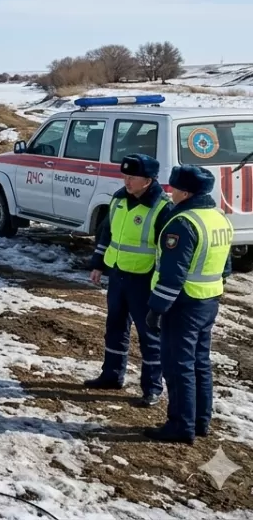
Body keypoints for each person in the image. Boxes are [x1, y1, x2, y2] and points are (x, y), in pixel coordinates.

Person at [143, 165, 233, 444]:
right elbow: (226, 266)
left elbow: (173, 274)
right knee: (199, 363)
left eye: (173, 188)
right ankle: (200, 421)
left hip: (183, 304)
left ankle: (181, 425)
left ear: (184, 191)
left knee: (178, 365)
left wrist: (157, 308)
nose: (169, 192)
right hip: (208, 299)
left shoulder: (183, 223)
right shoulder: (218, 217)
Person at [83, 154, 170, 406]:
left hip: (144, 280)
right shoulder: (119, 199)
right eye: (125, 176)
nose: (127, 181)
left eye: (132, 177)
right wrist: (98, 265)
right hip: (118, 275)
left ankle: (152, 386)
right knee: (115, 328)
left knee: (148, 335)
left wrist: (161, 285)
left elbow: (166, 251)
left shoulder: (162, 207)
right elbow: (106, 233)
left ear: (148, 180)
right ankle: (111, 375)